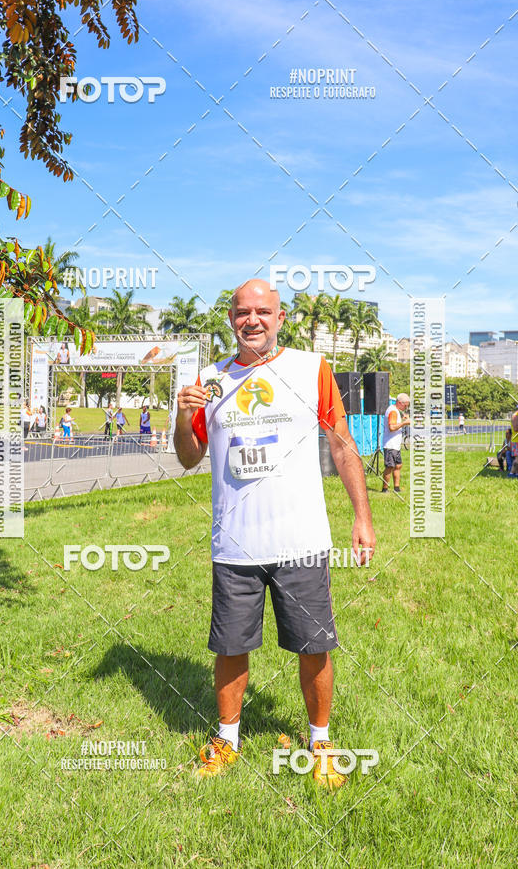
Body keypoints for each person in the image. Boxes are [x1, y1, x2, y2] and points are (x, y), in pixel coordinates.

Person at [174, 279, 375, 789]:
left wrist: (362, 517)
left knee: (314, 646)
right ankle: (227, 740)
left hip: (301, 539)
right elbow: (187, 456)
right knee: (230, 646)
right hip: (235, 544)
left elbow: (342, 443)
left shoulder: (310, 369)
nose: (253, 320)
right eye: (243, 312)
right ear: (230, 318)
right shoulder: (209, 380)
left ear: (280, 318)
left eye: (263, 311)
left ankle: (320, 742)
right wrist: (181, 416)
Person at [381, 394, 411, 493]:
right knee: (390, 467)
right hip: (390, 445)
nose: (406, 408)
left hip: (395, 445)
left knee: (398, 466)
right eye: (405, 405)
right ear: (399, 403)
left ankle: (396, 488)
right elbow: (392, 427)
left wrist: (403, 418)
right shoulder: (393, 411)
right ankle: (384, 489)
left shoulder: (395, 410)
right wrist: (404, 423)